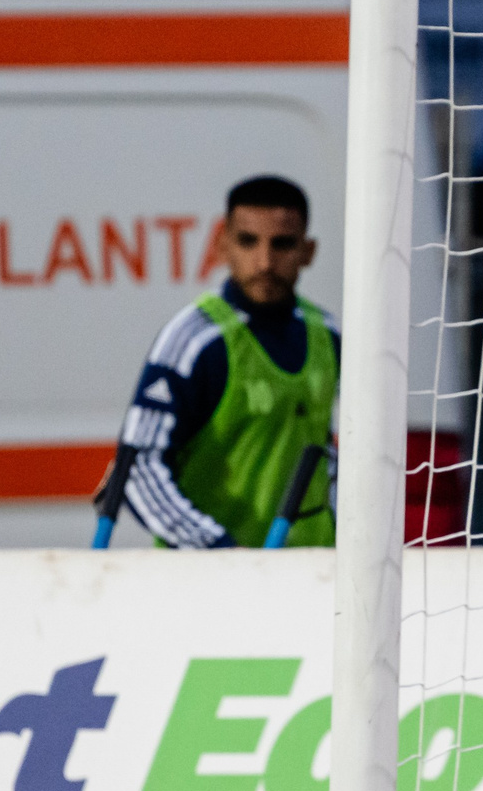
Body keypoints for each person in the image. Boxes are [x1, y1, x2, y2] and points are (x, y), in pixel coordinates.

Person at [115, 175, 338, 548]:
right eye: (248, 242)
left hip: (313, 576)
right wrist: (215, 549)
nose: (264, 262)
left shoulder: (327, 333)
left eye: (282, 244)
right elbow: (139, 466)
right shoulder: (194, 339)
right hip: (212, 583)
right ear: (222, 245)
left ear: (308, 251)